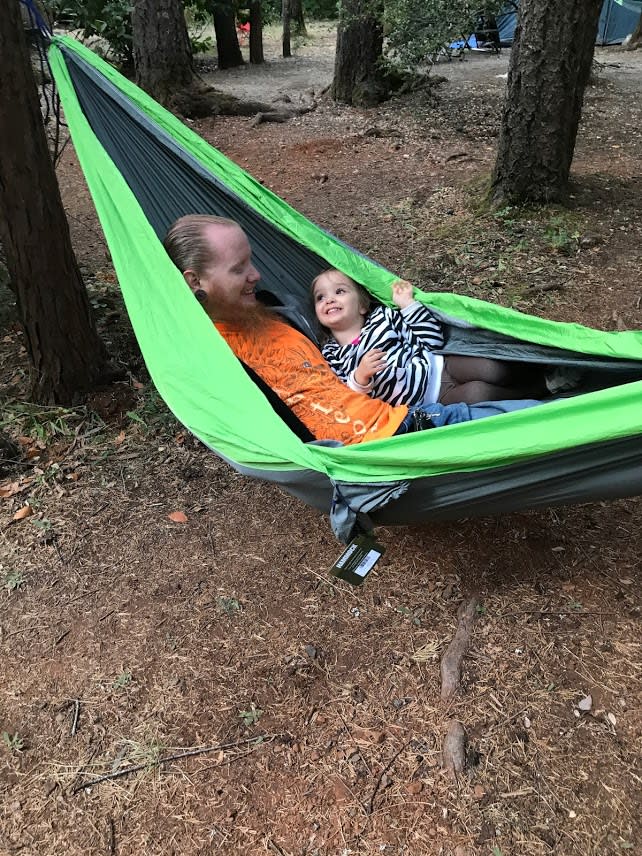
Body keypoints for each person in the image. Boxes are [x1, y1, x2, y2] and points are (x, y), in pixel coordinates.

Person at [163, 215, 541, 445]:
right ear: (195, 280)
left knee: (540, 413)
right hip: (383, 447)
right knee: (538, 426)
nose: (256, 275)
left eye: (251, 262)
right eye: (238, 269)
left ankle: (578, 391)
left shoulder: (274, 310)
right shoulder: (207, 354)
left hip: (407, 417)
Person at [312, 268, 547, 406]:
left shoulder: (382, 318)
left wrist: (408, 306)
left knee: (491, 368)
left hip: (441, 364)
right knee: (480, 394)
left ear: (363, 305)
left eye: (339, 291)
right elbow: (345, 400)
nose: (329, 300)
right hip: (430, 398)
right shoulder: (331, 355)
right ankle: (540, 391)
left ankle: (545, 370)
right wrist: (360, 378)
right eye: (320, 297)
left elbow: (432, 341)